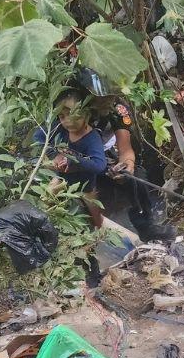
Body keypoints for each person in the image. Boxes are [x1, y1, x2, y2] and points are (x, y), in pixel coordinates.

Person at [34, 73, 175, 241]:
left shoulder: (117, 109)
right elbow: (43, 142)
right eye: (103, 98)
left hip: (101, 161)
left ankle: (147, 227)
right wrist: (59, 159)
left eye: (111, 96)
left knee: (137, 178)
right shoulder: (69, 107)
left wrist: (126, 166)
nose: (108, 101)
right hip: (70, 164)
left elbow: (125, 149)